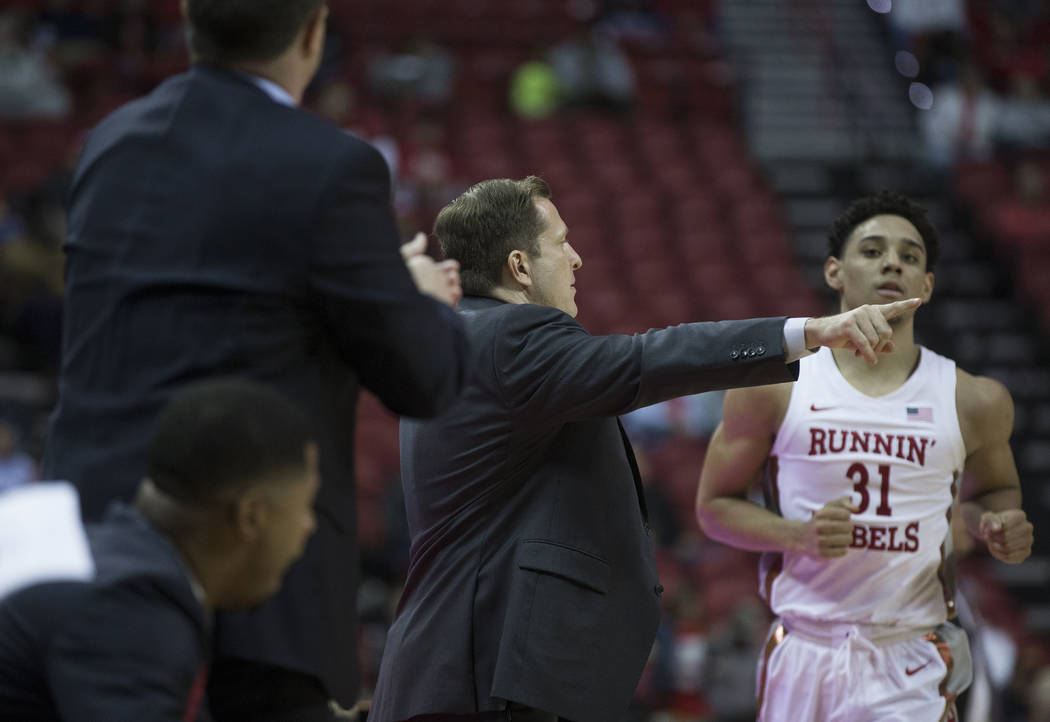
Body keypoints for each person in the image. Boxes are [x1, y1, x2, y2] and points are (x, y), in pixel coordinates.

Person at [40, 1, 470, 719]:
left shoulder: (112, 143)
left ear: (191, 23)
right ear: (312, 32)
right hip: (258, 595)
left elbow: (221, 313)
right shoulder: (333, 166)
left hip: (88, 550)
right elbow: (426, 378)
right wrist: (420, 297)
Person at [369, 176, 922, 722]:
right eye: (561, 243)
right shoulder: (510, 338)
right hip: (486, 673)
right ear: (519, 267)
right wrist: (810, 332)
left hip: (458, 666)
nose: (578, 259)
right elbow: (646, 359)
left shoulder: (461, 342)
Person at [696, 190, 1035, 722]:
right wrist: (796, 536)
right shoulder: (774, 387)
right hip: (804, 647)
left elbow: (995, 496)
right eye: (873, 250)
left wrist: (994, 524)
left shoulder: (975, 399)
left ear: (926, 285)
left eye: (910, 255)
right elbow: (713, 507)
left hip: (911, 653)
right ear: (835, 271)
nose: (892, 262)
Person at [0, 378, 320, 721]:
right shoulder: (132, 614)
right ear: (251, 517)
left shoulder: (128, 570)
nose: (309, 525)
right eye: (306, 506)